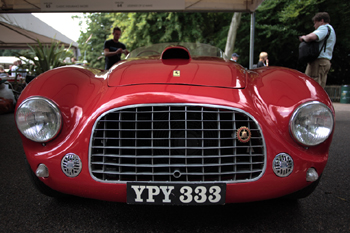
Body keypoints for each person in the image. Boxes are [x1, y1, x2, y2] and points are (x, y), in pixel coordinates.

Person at [299, 12, 336, 88]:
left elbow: (312, 37)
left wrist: (304, 37)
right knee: (320, 86)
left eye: (315, 23)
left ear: (321, 21)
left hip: (318, 62)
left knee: (312, 85)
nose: (314, 26)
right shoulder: (331, 29)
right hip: (324, 62)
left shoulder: (324, 28)